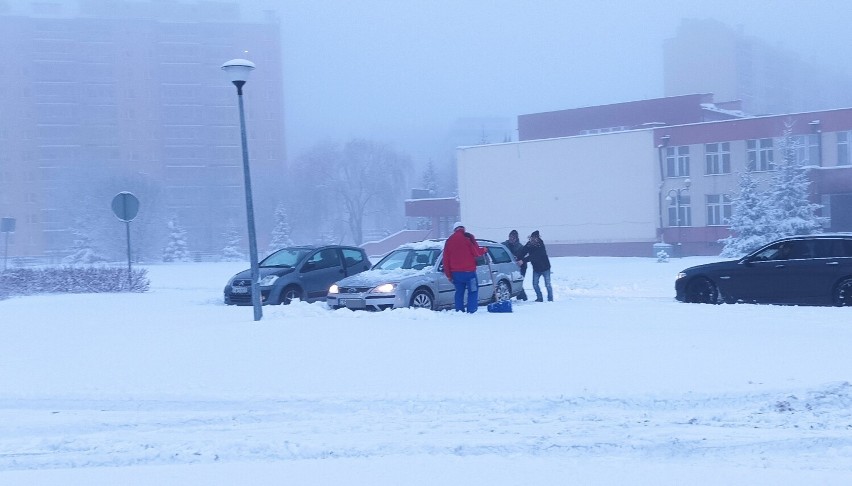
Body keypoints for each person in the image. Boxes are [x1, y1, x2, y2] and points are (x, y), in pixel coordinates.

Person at [443, 221, 487, 313]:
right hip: (469, 272)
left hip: (456, 274)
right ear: (463, 228)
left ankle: (459, 311)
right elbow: (477, 252)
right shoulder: (468, 237)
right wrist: (484, 250)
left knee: (459, 293)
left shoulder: (449, 240)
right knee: (473, 291)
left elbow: (445, 259)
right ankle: (471, 310)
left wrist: (448, 275)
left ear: (454, 230)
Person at [518, 230, 553, 302]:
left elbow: (534, 256)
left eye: (534, 238)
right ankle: (539, 298)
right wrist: (518, 258)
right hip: (536, 269)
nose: (533, 240)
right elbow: (523, 252)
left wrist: (523, 261)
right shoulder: (529, 245)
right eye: (532, 238)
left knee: (548, 284)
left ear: (538, 238)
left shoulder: (541, 246)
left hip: (545, 268)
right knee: (535, 284)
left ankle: (550, 299)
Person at [502, 230, 528, 301]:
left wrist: (519, 259)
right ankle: (520, 296)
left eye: (513, 238)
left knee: (518, 280)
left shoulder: (520, 247)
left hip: (521, 267)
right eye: (510, 237)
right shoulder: (505, 244)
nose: (511, 239)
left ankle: (522, 296)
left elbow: (524, 256)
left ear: (516, 238)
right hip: (510, 266)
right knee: (514, 281)